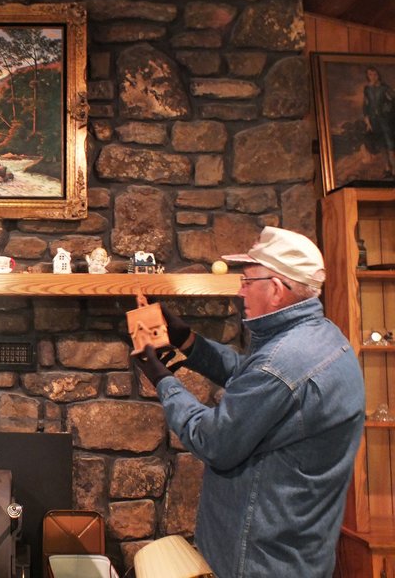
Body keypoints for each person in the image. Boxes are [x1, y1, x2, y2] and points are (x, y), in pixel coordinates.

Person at [134, 226, 365, 577]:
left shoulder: (283, 364)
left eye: (247, 280)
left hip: (261, 561)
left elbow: (212, 440)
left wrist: (162, 381)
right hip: (296, 553)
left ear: (275, 289)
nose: (240, 291)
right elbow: (250, 378)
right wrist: (188, 341)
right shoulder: (319, 338)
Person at [362, 65, 395, 176]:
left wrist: (386, 109)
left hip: (386, 120)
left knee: (390, 143)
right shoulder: (367, 89)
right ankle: (387, 168)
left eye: (375, 74)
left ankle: (394, 167)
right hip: (374, 120)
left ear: (378, 75)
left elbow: (392, 101)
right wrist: (367, 120)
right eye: (370, 75)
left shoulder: (385, 88)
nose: (373, 77)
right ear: (368, 76)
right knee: (381, 144)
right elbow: (366, 105)